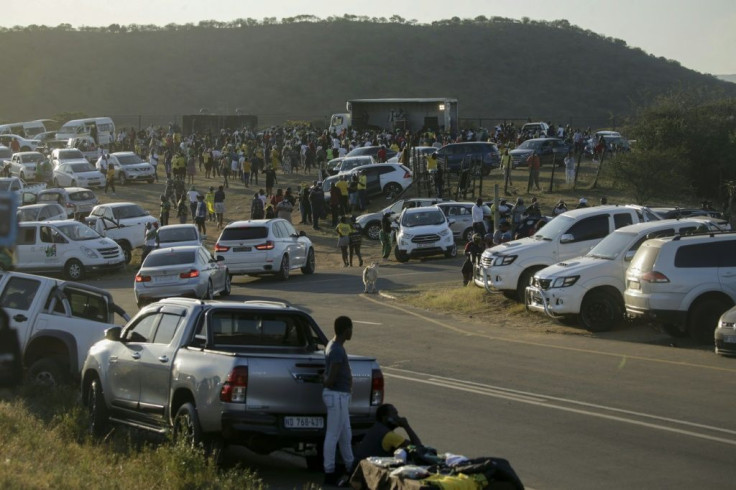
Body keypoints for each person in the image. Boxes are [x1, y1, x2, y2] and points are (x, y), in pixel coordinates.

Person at [322, 316, 355, 487]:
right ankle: (329, 472)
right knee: (333, 434)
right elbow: (331, 379)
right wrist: (325, 381)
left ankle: (351, 468)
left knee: (345, 434)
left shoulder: (334, 346)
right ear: (345, 330)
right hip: (337, 396)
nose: (352, 332)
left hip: (340, 396)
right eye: (351, 328)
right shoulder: (336, 350)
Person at [353, 403, 423, 467]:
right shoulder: (388, 435)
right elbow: (418, 447)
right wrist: (406, 426)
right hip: (366, 471)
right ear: (386, 418)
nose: (398, 417)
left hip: (359, 467)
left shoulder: (376, 427)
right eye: (395, 414)